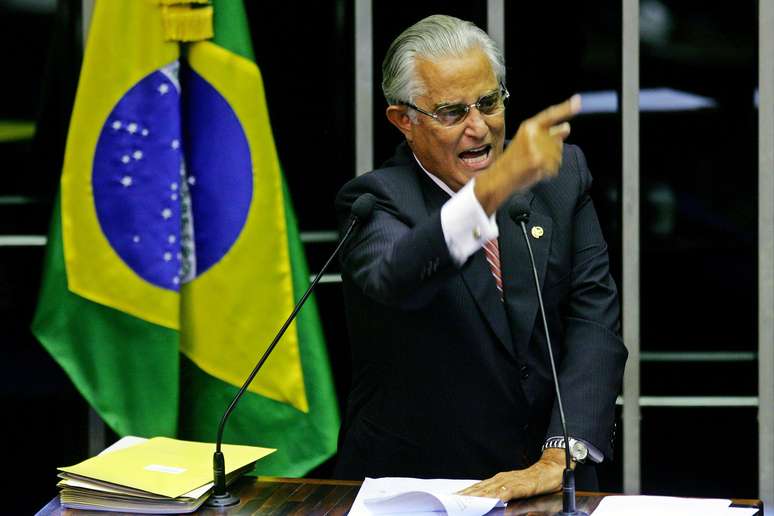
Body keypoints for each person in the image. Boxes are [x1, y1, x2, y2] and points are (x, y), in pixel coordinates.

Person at [334, 14, 627, 501]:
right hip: (424, 491)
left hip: (551, 483)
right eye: (452, 112)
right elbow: (395, 276)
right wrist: (494, 188)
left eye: (489, 103)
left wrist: (561, 453)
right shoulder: (373, 201)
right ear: (403, 120)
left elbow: (593, 319)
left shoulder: (560, 174)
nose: (480, 128)